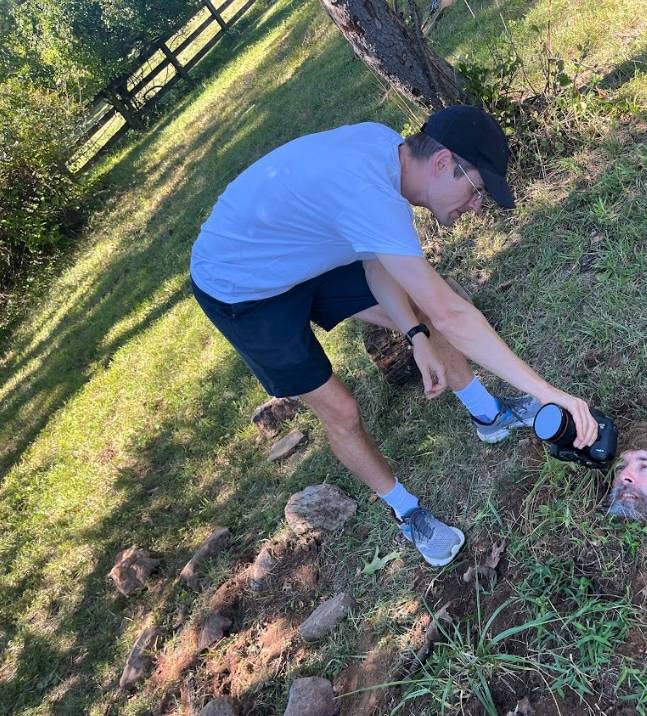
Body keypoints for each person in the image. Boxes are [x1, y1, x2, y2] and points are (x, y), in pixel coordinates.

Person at [190, 105, 598, 567]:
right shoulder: (371, 195)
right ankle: (408, 511)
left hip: (300, 249)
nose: (476, 206)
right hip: (241, 289)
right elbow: (453, 315)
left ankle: (488, 415)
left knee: (420, 307)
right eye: (476, 190)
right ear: (442, 162)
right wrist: (548, 393)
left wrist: (416, 333)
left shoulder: (387, 151)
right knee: (342, 411)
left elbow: (373, 264)